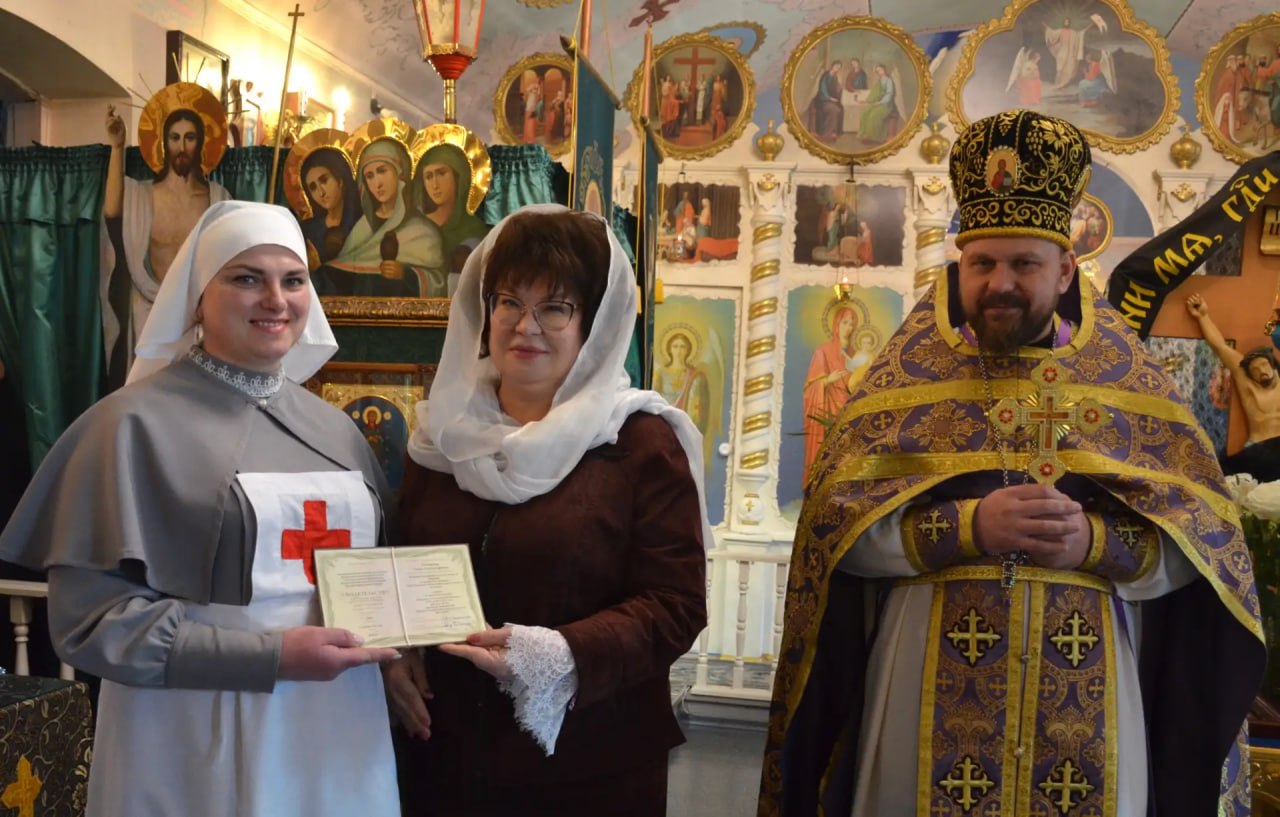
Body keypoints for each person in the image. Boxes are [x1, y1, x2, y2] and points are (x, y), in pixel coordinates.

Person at [760, 109, 1264, 817]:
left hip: (1091, 698)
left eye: (1024, 264)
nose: (1001, 282)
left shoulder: (1128, 386)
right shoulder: (904, 382)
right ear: (959, 267)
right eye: (983, 263)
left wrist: (1096, 542)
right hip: (920, 692)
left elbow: (1206, 550)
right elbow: (833, 537)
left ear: (1065, 270)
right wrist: (968, 527)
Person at [0, 200, 403, 817]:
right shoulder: (128, 426)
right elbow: (90, 624)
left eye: (293, 280)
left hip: (338, 720)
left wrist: (402, 658)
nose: (276, 299)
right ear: (197, 298)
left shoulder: (337, 430)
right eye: (247, 278)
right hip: (191, 722)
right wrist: (271, 657)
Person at [384, 204, 711, 816]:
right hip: (443, 750)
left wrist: (563, 653)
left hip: (586, 762)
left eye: (554, 308)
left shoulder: (640, 441)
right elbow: (401, 561)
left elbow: (677, 603)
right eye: (508, 301)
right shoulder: (441, 436)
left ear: (594, 324)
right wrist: (395, 655)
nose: (524, 326)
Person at [103, 103, 231, 376]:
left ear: (200, 143)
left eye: (189, 137)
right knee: (148, 391)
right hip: (147, 312)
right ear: (164, 144)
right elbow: (112, 211)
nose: (182, 147)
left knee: (193, 392)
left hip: (195, 319)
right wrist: (117, 147)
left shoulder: (217, 199)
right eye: (174, 138)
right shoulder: (141, 195)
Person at [326, 138, 446, 297]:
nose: (377, 183)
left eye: (382, 171)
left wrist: (406, 274)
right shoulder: (362, 227)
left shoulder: (423, 231)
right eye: (369, 176)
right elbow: (342, 274)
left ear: (399, 173)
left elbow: (439, 283)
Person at [1186, 293, 1280, 481]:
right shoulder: (1249, 385)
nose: (1261, 371)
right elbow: (1220, 347)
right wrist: (1203, 316)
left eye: (1264, 365)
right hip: (1259, 449)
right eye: (1255, 370)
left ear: (1273, 364)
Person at [414, 143, 490, 282]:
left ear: (458, 176)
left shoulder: (475, 230)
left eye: (441, 173)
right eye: (428, 177)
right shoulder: (416, 227)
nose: (435, 185)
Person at [801, 303, 858, 476]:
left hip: (850, 410)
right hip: (828, 409)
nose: (848, 328)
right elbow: (810, 388)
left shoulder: (856, 354)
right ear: (836, 324)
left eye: (852, 324)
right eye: (845, 322)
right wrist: (827, 381)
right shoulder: (823, 352)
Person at [297, 147, 362, 270]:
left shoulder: (362, 225)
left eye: (324, 180)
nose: (321, 192)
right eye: (313, 187)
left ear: (340, 180)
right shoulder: (307, 230)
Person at [857, 64, 895, 143]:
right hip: (877, 103)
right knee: (865, 113)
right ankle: (865, 134)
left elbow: (889, 94)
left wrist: (880, 102)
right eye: (877, 71)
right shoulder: (879, 81)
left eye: (880, 70)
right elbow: (874, 94)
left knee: (873, 115)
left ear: (884, 70)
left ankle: (872, 136)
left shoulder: (888, 81)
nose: (879, 72)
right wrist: (866, 101)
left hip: (886, 104)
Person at [810, 61, 844, 141]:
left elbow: (836, 90)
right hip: (823, 100)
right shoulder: (825, 75)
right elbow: (823, 90)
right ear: (832, 66)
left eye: (839, 68)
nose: (837, 69)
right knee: (833, 110)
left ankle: (834, 132)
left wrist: (839, 89)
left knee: (841, 109)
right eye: (836, 67)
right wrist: (830, 98)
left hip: (831, 100)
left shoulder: (835, 77)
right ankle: (827, 133)